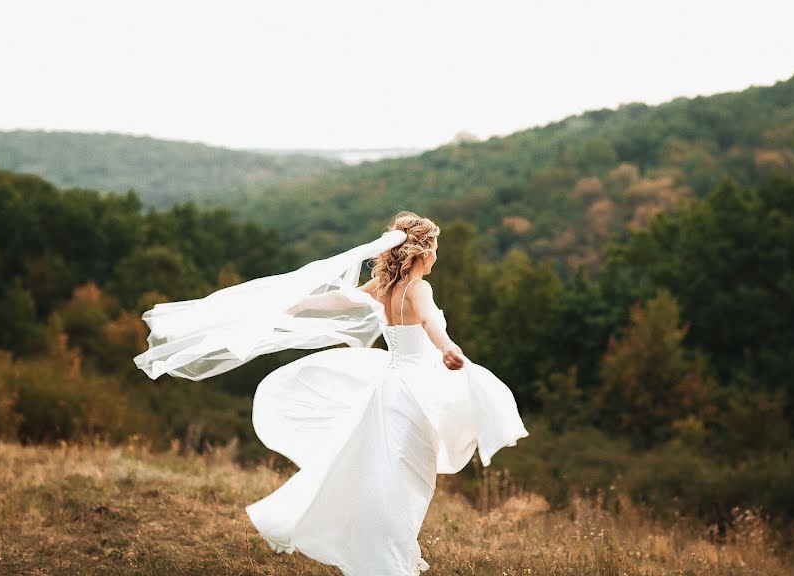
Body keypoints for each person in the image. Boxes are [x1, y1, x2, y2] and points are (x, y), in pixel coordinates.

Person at [134, 210, 529, 576]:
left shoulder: (386, 286)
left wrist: (296, 303)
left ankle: (388, 550)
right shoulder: (417, 288)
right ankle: (388, 556)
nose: (436, 256)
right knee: (410, 476)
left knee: (389, 471)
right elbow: (429, 324)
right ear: (422, 250)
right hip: (416, 391)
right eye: (435, 248)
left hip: (390, 389)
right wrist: (448, 349)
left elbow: (343, 299)